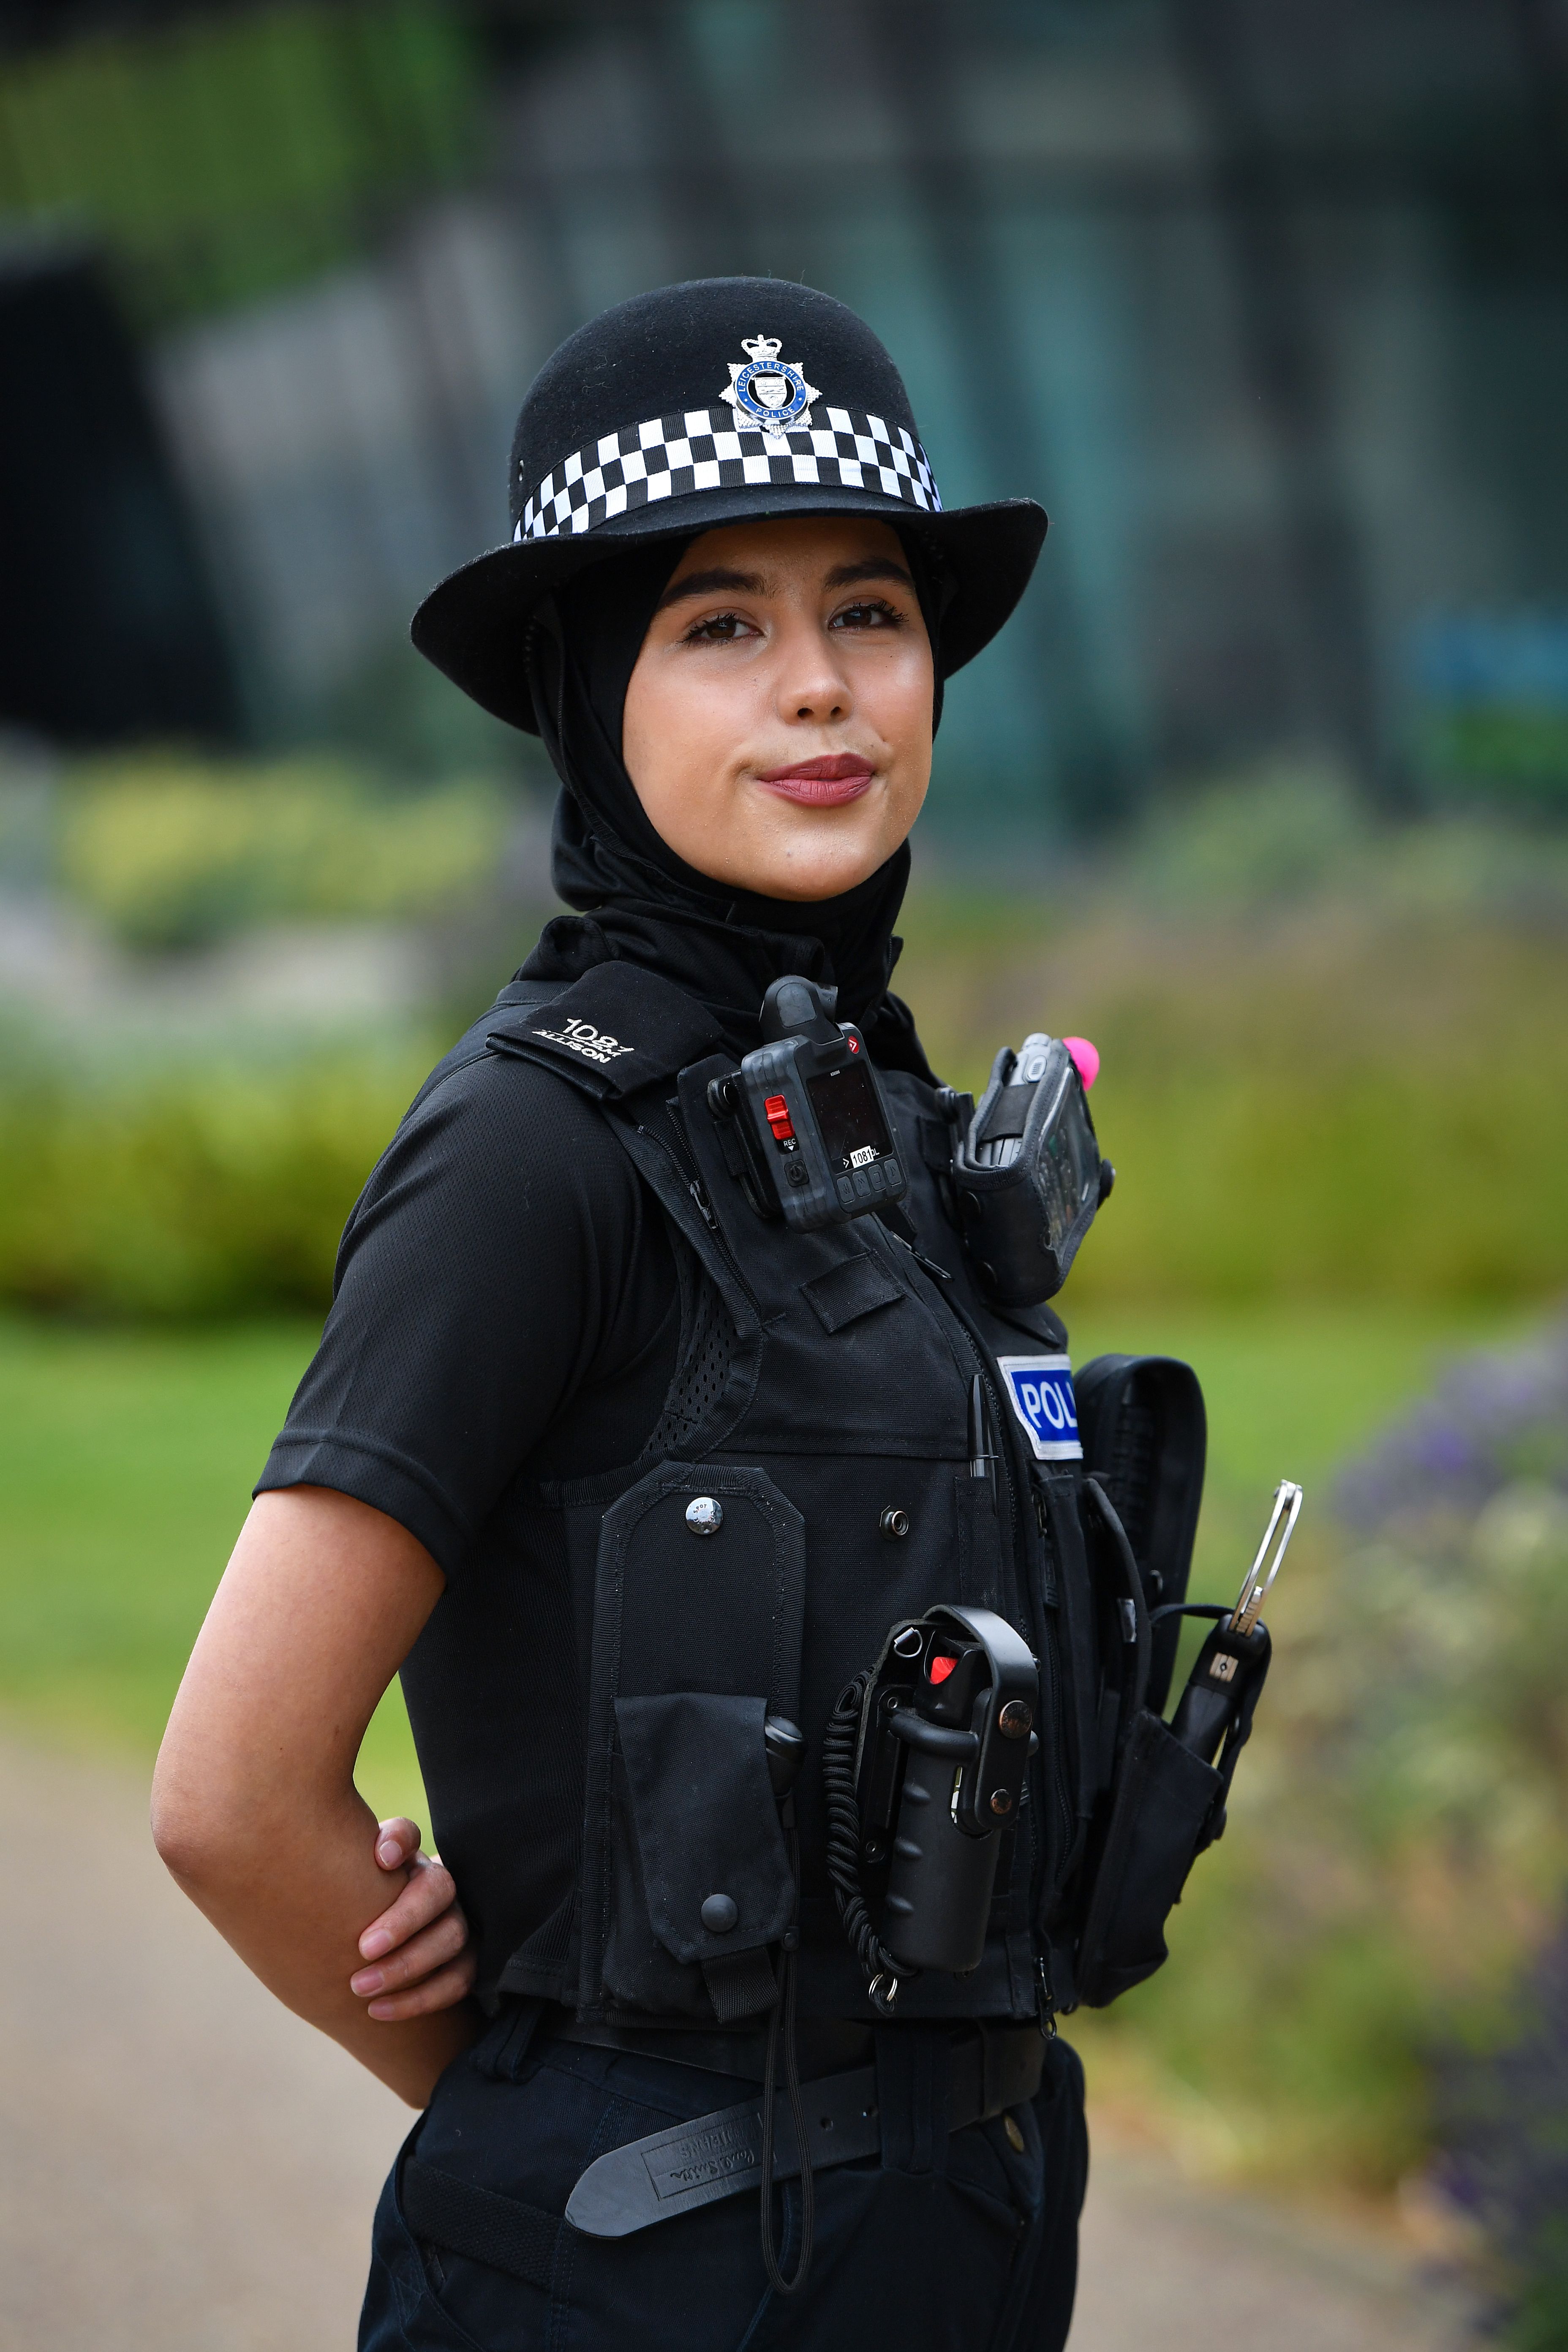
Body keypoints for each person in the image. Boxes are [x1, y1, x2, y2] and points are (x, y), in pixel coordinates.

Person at [153, 278, 1094, 2351]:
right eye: (719, 627)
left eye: (867, 610)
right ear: (588, 690)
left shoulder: (899, 1130)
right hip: (645, 2278)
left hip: (966, 2234)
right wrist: (550, 2132)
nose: (821, 690)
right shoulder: (531, 1151)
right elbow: (233, 1796)